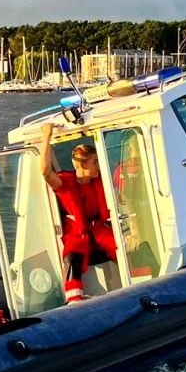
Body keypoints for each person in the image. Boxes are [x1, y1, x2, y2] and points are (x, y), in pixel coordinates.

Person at [39, 122, 118, 303]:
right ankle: (74, 299)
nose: (99, 166)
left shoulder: (100, 181)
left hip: (99, 228)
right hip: (77, 233)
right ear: (81, 165)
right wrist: (46, 137)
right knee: (72, 256)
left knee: (124, 247)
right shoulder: (64, 184)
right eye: (95, 162)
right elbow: (45, 171)